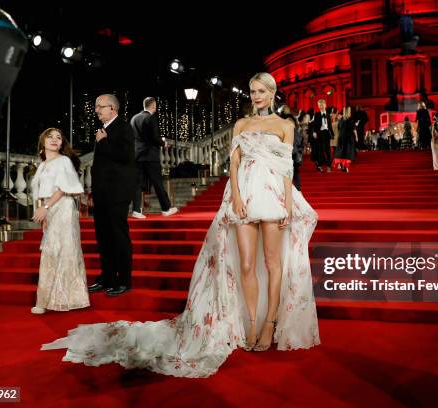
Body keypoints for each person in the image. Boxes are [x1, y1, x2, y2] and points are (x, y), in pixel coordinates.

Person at [42, 73, 320, 378]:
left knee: (272, 262)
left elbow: (286, 168)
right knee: (246, 263)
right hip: (245, 195)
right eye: (252, 91)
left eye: (261, 91)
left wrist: (289, 207)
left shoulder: (284, 126)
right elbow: (235, 164)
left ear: (272, 92)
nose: (255, 96)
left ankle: (269, 325)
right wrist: (236, 198)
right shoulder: (242, 124)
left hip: (274, 195)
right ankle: (250, 324)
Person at [30, 128, 89, 314]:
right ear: (43, 143)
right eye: (50, 137)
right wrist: (44, 215)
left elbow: (63, 188)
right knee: (50, 251)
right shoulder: (42, 165)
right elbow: (39, 192)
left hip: (62, 207)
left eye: (58, 138)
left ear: (62, 144)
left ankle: (67, 299)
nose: (55, 140)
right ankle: (46, 299)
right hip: (49, 209)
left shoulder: (63, 161)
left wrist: (45, 208)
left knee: (64, 250)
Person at [87, 94, 135, 297]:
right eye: (96, 106)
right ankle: (107, 277)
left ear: (112, 109)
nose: (97, 110)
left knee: (118, 236)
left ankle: (123, 280)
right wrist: (93, 191)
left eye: (100, 106)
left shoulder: (124, 127)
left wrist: (104, 142)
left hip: (117, 193)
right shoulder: (103, 130)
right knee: (103, 237)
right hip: (101, 194)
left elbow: (126, 157)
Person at [130, 97, 178, 218]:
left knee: (137, 183)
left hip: (136, 155)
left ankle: (136, 210)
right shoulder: (150, 118)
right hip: (150, 155)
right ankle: (166, 208)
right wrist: (164, 143)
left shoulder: (134, 118)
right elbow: (155, 137)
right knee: (157, 182)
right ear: (153, 106)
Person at [332, 106, 357, 172]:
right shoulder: (350, 120)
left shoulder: (341, 120)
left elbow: (339, 129)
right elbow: (353, 129)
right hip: (348, 138)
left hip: (341, 137)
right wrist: (356, 137)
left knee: (341, 152)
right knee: (348, 153)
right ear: (348, 112)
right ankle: (345, 166)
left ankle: (342, 165)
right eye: (350, 111)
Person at [312, 99, 333, 172]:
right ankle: (320, 165)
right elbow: (314, 125)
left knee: (328, 150)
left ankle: (329, 166)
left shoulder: (328, 114)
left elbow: (330, 125)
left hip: (327, 133)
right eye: (319, 105)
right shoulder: (317, 114)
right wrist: (314, 132)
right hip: (320, 133)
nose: (320, 106)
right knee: (320, 150)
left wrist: (332, 134)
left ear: (325, 105)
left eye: (322, 105)